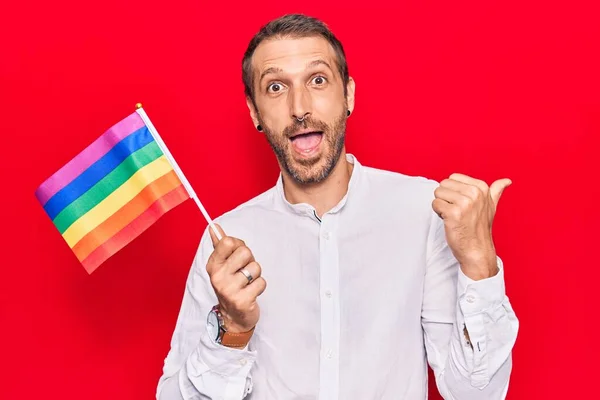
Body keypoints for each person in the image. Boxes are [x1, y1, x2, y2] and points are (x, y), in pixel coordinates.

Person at [156, 13, 519, 400]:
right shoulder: (225, 242)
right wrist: (232, 329)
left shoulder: (422, 212)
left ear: (348, 94)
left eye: (317, 80)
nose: (300, 107)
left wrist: (480, 264)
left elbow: (477, 393)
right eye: (276, 87)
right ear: (254, 112)